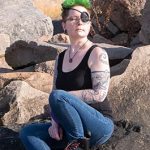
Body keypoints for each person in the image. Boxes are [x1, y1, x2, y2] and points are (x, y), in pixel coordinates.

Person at [19, 0, 114, 149]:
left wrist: (64, 96)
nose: (80, 22)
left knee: (58, 96)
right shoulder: (61, 57)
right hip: (69, 124)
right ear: (63, 25)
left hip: (99, 124)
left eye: (84, 18)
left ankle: (78, 143)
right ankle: (73, 139)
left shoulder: (97, 53)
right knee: (28, 132)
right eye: (73, 19)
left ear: (89, 24)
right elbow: (54, 95)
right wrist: (55, 122)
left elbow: (99, 94)